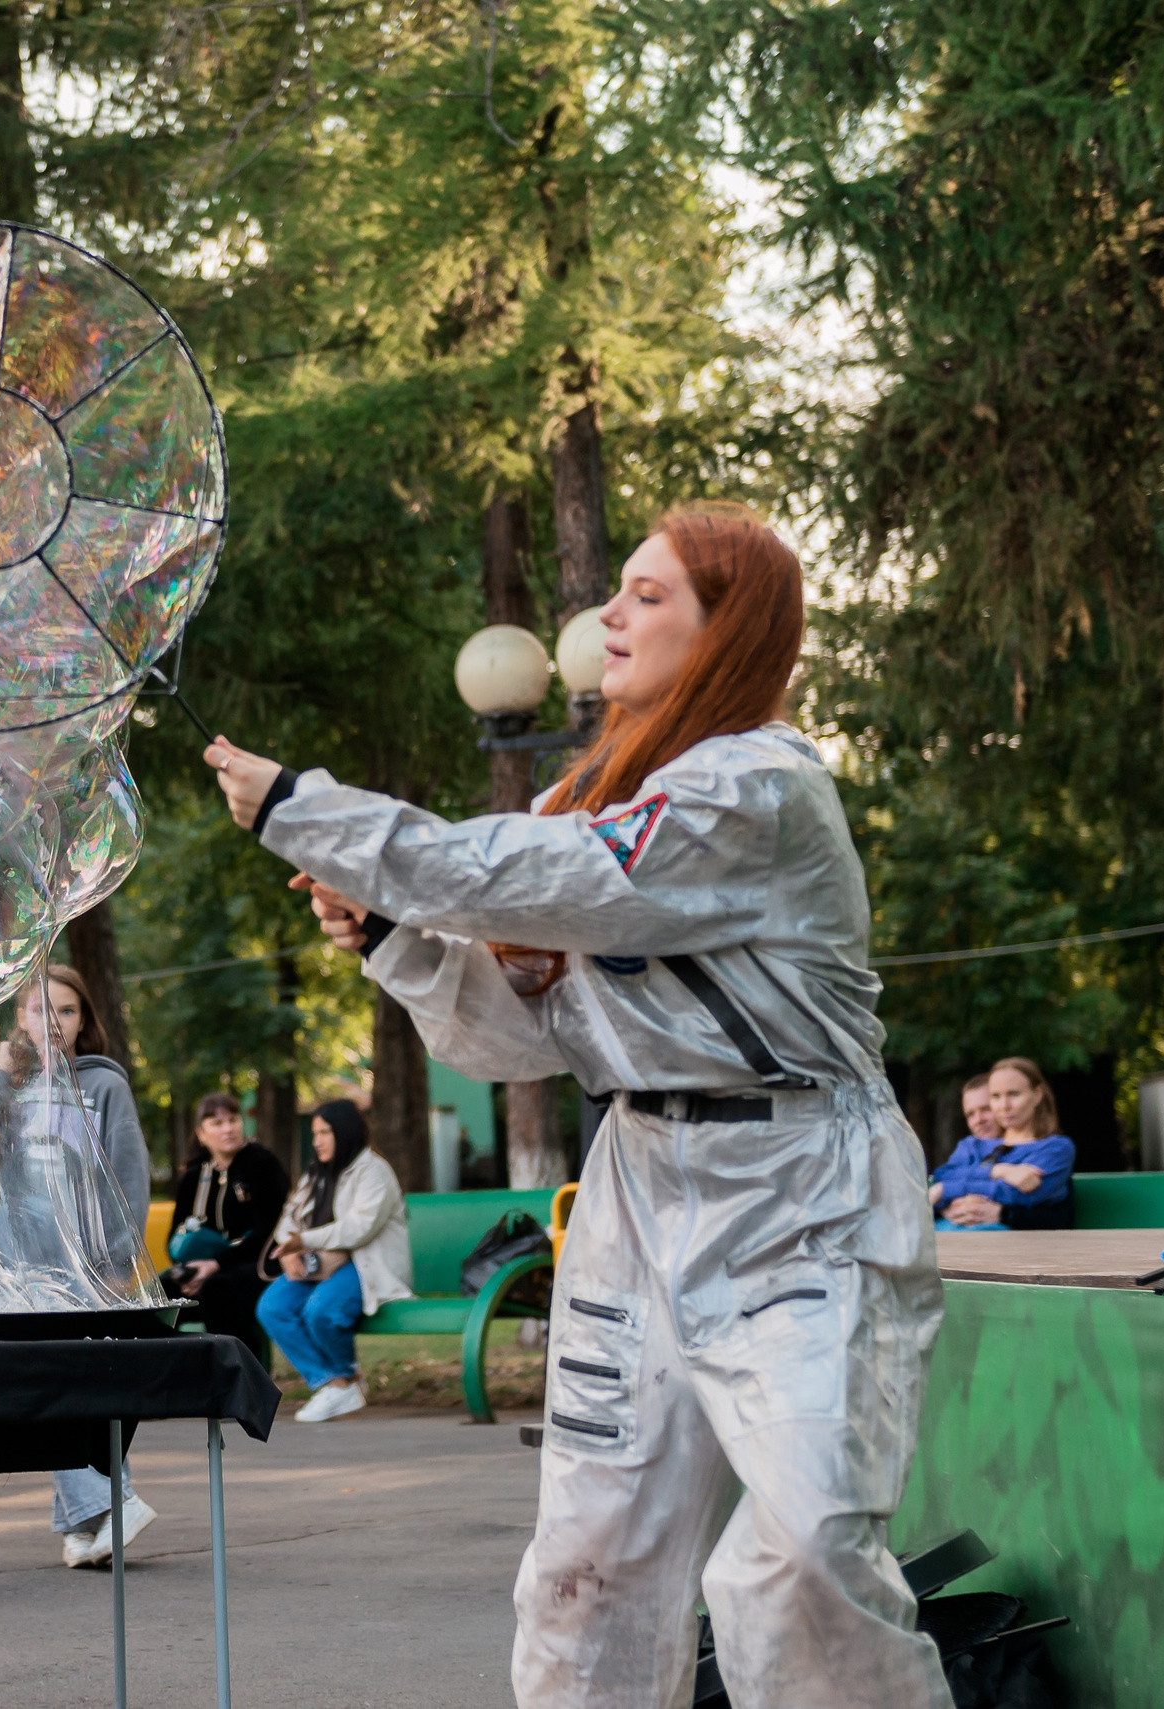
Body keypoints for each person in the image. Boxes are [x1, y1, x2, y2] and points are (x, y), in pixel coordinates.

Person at [207, 502, 954, 1706]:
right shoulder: (585, 799)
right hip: (637, 1189)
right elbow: (518, 1034)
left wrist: (308, 807)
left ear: (728, 633)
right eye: (618, 588)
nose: (606, 613)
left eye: (648, 596)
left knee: (807, 1550)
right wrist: (394, 933)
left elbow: (542, 877)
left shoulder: (756, 790)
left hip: (801, 1191)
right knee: (586, 1562)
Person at [0, 965, 163, 1566]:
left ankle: (109, 1504)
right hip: (22, 1262)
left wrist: (122, 1258)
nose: (52, 1023)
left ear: (85, 1020)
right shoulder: (7, 1086)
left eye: (65, 1011)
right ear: (19, 1019)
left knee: (62, 1382)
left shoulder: (104, 1085)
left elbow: (129, 1172)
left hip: (86, 1265)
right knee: (52, 1382)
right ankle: (82, 1521)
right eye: (38, 1011)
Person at [255, 1102, 409, 1423]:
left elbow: (359, 1228)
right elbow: (289, 1218)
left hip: (364, 1264)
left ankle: (344, 1381)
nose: (318, 1141)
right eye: (315, 1134)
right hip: (318, 1264)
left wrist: (306, 1241)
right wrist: (290, 1252)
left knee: (322, 1310)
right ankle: (334, 1383)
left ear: (345, 1131)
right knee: (272, 1308)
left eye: (325, 1132)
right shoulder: (316, 1173)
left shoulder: (373, 1171)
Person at [167, 1092, 290, 1363]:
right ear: (202, 1133)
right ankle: (174, 1379)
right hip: (204, 1268)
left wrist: (216, 1264)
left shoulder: (262, 1164)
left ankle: (239, 1380)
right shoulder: (194, 1175)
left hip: (258, 1265)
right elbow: (175, 1237)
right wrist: (192, 1271)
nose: (228, 1129)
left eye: (232, 1120)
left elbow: (268, 1233)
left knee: (218, 1290)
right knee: (161, 1292)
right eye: (217, 1123)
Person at [930, 1058, 1076, 1230]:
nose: (1004, 1106)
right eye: (996, 1097)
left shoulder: (1055, 1148)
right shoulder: (974, 1145)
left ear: (1037, 1095)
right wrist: (999, 1171)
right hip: (952, 1233)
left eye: (1013, 1094)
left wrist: (946, 1190)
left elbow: (1022, 1194)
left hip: (1011, 1242)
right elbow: (943, 1175)